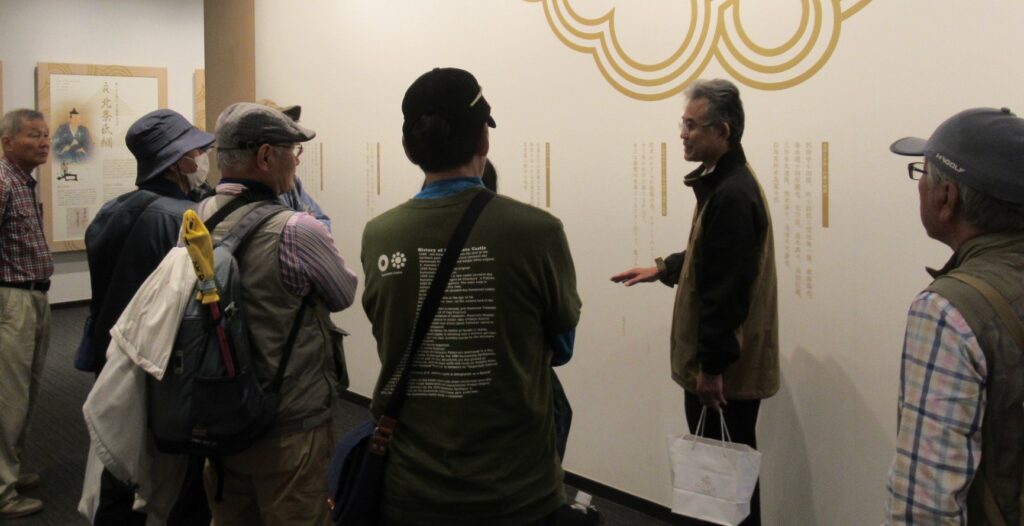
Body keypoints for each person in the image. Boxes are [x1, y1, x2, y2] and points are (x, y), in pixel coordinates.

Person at [361, 67, 582, 526]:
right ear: (484, 139)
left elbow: (388, 337)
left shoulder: (379, 235)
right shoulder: (539, 232)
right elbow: (561, 347)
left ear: (407, 148)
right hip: (518, 492)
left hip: (410, 488)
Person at [610, 78, 778, 525]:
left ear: (722, 131)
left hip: (726, 375)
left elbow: (727, 290)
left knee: (724, 486)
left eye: (691, 125)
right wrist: (664, 268)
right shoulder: (727, 184)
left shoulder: (732, 194)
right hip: (729, 369)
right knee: (727, 482)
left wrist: (712, 367)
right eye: (682, 123)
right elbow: (712, 256)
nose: (682, 134)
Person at [199, 102, 357, 526]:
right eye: (293, 150)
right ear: (266, 156)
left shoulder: (196, 218)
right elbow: (344, 292)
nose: (297, 161)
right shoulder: (297, 228)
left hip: (221, 413)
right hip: (290, 423)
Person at [886, 107, 1024, 524]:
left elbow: (925, 505)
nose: (920, 185)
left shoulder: (948, 310)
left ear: (947, 198)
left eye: (922, 172)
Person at [79, 108, 215, 525]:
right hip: (160, 362)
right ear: (177, 162)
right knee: (175, 476)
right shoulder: (184, 219)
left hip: (112, 352)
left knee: (119, 464)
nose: (203, 159)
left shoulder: (112, 210)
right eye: (196, 151)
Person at [0, 109, 54, 520]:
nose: (43, 142)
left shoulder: (23, 182)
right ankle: (2, 490)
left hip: (34, 297)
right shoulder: (3, 183)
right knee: (8, 398)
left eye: (46, 135)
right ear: (7, 142)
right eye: (33, 135)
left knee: (26, 392)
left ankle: (11, 471)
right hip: (11, 301)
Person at [257, 100, 332, 231]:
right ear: (265, 154)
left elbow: (323, 225)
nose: (296, 161)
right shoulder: (250, 197)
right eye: (290, 148)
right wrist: (306, 225)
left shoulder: (292, 183)